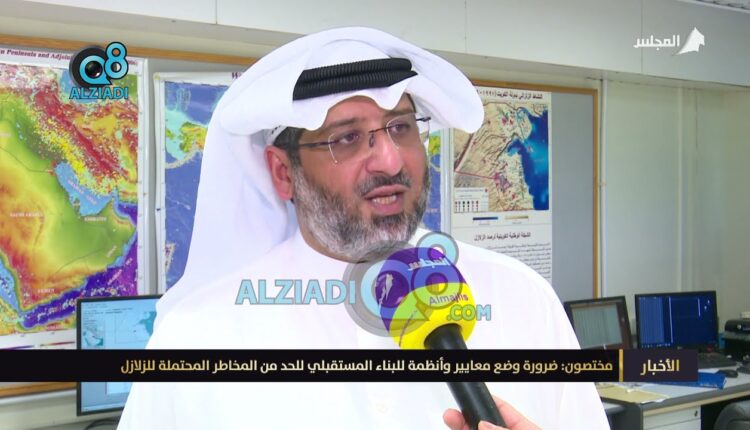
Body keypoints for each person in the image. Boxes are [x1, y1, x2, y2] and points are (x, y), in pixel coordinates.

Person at [119, 27, 609, 429]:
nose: (390, 160)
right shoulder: (197, 336)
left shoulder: (521, 298)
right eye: (347, 138)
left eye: (401, 128)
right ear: (283, 172)